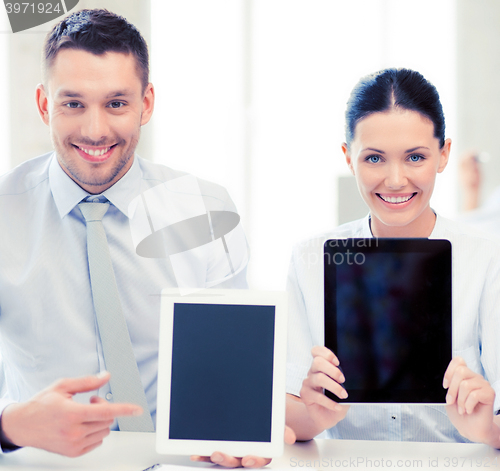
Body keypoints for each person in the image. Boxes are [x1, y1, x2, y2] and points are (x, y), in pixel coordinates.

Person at [0, 9, 285, 466]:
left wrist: (242, 429)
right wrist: (10, 424)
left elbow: (230, 372)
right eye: (73, 103)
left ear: (146, 103)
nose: (95, 130)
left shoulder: (205, 210)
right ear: (42, 104)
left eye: (116, 103)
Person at [285, 68, 500, 445]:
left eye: (415, 157)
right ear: (348, 158)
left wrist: (487, 430)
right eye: (374, 159)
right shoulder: (310, 259)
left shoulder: (486, 259)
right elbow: (291, 419)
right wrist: (313, 413)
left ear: (444, 154)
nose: (396, 179)